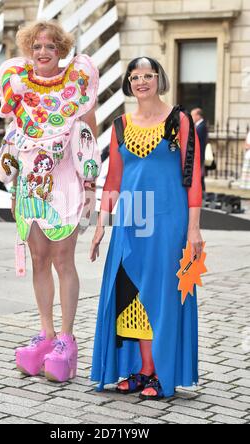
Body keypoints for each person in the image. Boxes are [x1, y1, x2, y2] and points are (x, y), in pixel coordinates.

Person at [90, 57, 203, 400]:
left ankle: (160, 373)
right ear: (128, 83)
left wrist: (194, 230)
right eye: (135, 77)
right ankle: (144, 369)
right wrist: (100, 224)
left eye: (148, 76)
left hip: (169, 221)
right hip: (129, 221)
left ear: (159, 79)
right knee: (130, 294)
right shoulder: (120, 124)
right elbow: (114, 178)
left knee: (163, 295)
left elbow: (193, 176)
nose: (142, 82)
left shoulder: (178, 120)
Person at [0, 20, 100, 383]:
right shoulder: (19, 85)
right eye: (36, 47)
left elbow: (88, 134)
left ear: (61, 50)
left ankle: (67, 340)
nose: (42, 53)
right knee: (39, 258)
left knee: (62, 259)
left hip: (64, 184)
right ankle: (46, 334)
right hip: (28, 187)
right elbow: (14, 135)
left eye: (50, 47)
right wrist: (12, 185)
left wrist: (90, 186)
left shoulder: (77, 86)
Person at [191, 108, 208, 192]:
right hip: (197, 154)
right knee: (198, 175)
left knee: (199, 174)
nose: (191, 117)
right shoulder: (197, 125)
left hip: (199, 154)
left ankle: (202, 191)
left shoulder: (201, 126)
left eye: (193, 115)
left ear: (198, 115)